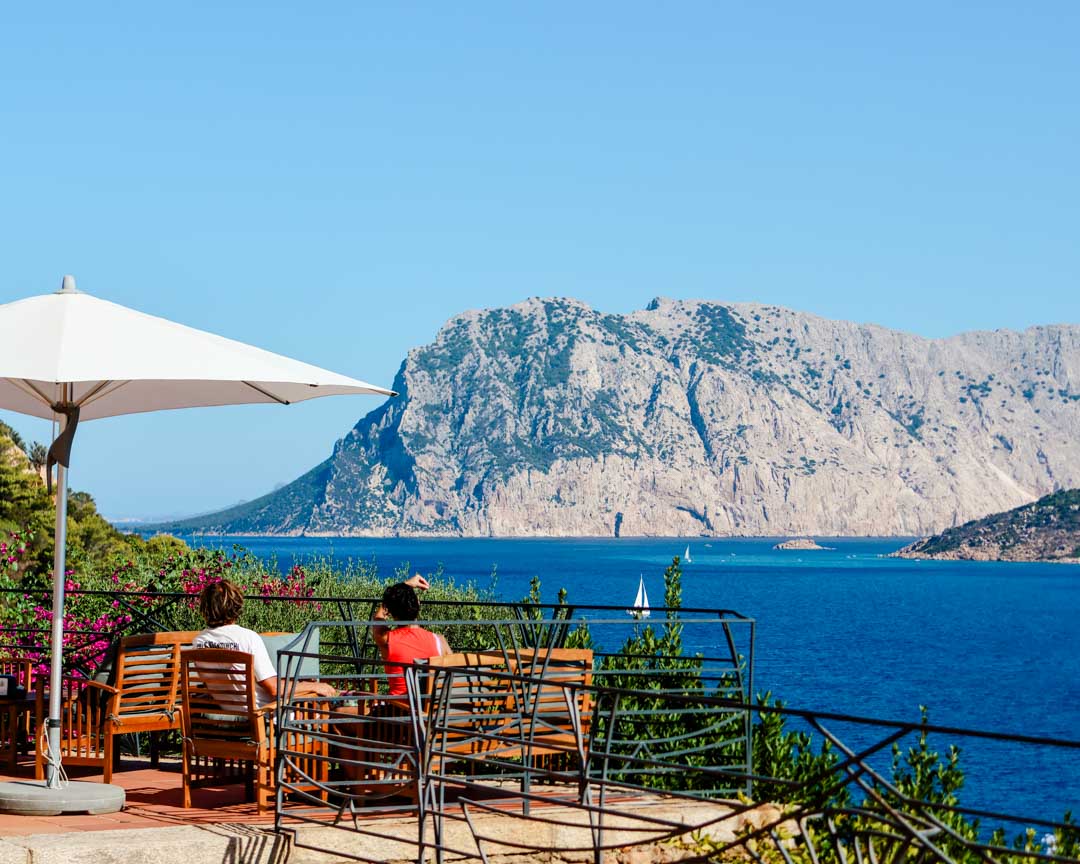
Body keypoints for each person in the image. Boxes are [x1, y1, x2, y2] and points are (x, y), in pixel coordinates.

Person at [193, 579, 336, 708]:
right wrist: (315, 686)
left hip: (229, 713)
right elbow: (273, 688)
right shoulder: (247, 638)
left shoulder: (199, 642)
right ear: (236, 605)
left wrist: (299, 684)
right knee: (332, 708)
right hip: (264, 715)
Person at [372, 574, 450, 696]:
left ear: (391, 612)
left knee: (341, 708)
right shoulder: (440, 641)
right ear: (418, 604)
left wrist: (405, 585)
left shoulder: (387, 640)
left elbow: (378, 619)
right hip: (433, 712)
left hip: (398, 711)